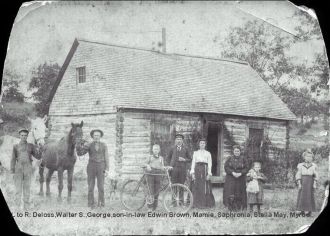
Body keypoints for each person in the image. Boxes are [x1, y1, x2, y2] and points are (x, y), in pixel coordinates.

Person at [76, 129, 109, 208]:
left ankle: (101, 204)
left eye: (98, 135)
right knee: (91, 186)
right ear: (93, 137)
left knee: (101, 186)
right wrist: (79, 146)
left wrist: (107, 169)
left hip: (101, 166)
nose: (96, 137)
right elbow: (80, 153)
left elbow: (106, 158)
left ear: (100, 136)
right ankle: (91, 204)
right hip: (91, 167)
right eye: (95, 135)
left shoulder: (104, 145)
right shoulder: (89, 145)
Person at [10, 128, 41, 210]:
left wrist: (40, 149)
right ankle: (17, 206)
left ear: (27, 136)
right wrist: (12, 171)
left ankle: (26, 207)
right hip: (18, 168)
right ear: (19, 136)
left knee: (27, 188)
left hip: (28, 168)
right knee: (18, 188)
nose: (23, 137)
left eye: (25, 135)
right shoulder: (15, 146)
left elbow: (38, 156)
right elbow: (13, 159)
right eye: (22, 135)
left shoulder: (31, 146)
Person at [167, 133, 191, 205]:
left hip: (182, 170)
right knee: (174, 186)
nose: (179, 140)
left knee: (181, 186)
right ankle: (173, 203)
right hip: (173, 170)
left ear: (182, 140)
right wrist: (169, 166)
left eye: (180, 139)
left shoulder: (186, 148)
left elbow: (190, 159)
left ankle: (181, 202)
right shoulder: (172, 148)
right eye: (177, 139)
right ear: (175, 140)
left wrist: (184, 160)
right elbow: (168, 158)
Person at [190, 138, 215, 208]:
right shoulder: (195, 153)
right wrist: (192, 173)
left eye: (203, 143)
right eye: (201, 143)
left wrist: (209, 174)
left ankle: (205, 204)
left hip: (205, 170)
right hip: (197, 169)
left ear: (205, 144)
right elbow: (193, 163)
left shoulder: (208, 153)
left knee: (205, 186)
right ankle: (196, 204)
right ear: (199, 144)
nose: (202, 144)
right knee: (196, 186)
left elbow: (210, 164)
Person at [223, 145, 249, 211]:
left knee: (240, 191)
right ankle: (230, 206)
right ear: (233, 151)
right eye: (235, 151)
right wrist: (232, 173)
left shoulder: (244, 159)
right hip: (231, 177)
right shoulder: (229, 158)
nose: (236, 152)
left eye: (238, 151)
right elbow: (226, 167)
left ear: (240, 152)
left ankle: (240, 206)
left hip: (240, 178)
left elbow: (246, 168)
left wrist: (241, 173)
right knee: (231, 191)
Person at [295, 149, 318, 215]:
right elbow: (298, 174)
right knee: (302, 196)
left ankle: (308, 211)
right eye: (307, 156)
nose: (309, 158)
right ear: (304, 157)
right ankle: (301, 210)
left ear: (312, 158)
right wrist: (299, 183)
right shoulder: (300, 165)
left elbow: (315, 175)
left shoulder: (314, 166)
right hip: (303, 182)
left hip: (310, 182)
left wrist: (314, 183)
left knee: (309, 196)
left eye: (310, 157)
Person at [145, 144, 165, 211]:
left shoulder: (161, 158)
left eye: (157, 149)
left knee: (157, 191)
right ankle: (150, 207)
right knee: (151, 190)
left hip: (158, 174)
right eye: (154, 149)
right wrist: (147, 165)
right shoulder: (150, 157)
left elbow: (162, 166)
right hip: (150, 174)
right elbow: (144, 163)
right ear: (152, 150)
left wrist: (166, 168)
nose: (155, 150)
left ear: (159, 150)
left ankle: (155, 207)